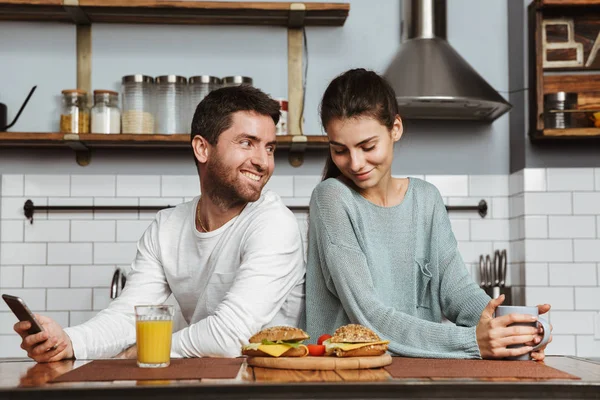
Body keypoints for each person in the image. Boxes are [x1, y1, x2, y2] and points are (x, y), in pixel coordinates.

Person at [15, 85, 305, 362]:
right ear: (202, 149)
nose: (264, 162)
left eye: (269, 148)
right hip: (210, 379)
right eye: (247, 143)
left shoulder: (273, 224)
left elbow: (229, 335)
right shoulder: (167, 227)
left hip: (269, 386)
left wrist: (137, 352)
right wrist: (68, 341)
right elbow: (129, 316)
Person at [305, 68, 552, 360]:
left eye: (367, 146)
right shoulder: (331, 197)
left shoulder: (426, 198)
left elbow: (457, 291)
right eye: (340, 150)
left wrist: (513, 329)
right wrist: (473, 341)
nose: (356, 163)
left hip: (418, 374)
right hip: (345, 376)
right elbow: (367, 315)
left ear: (395, 128)